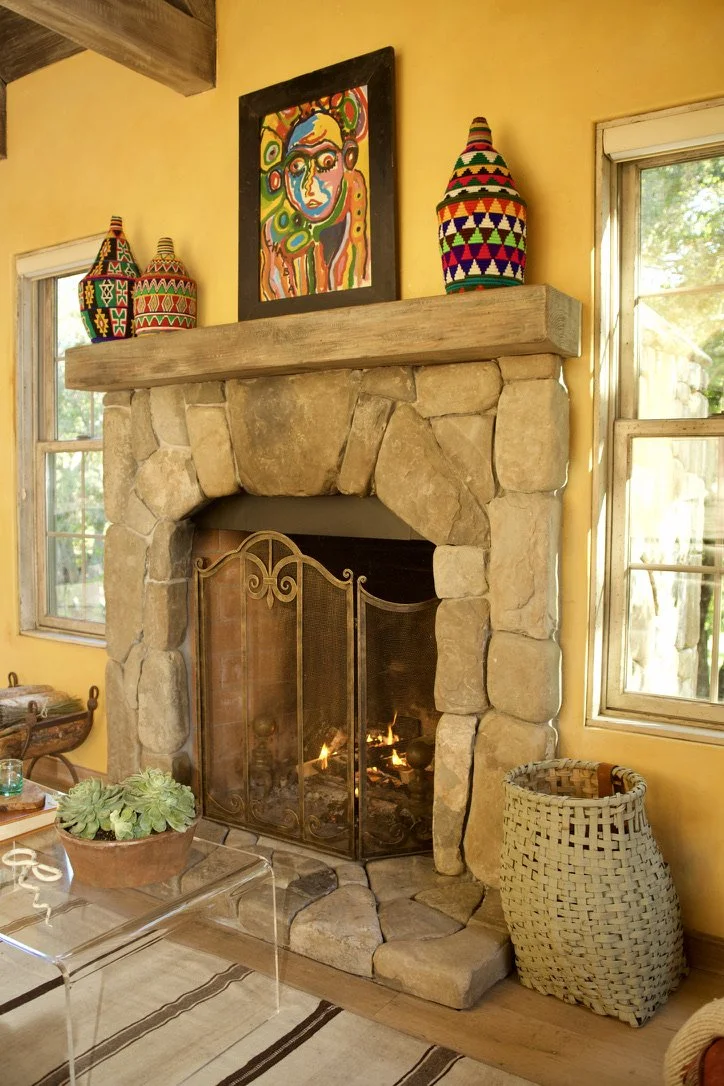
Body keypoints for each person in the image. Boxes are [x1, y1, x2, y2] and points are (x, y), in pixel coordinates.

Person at [259, 90, 370, 300]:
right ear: (280, 176)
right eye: (297, 166)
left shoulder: (364, 231)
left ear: (348, 157)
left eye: (326, 162)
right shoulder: (272, 243)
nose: (309, 184)